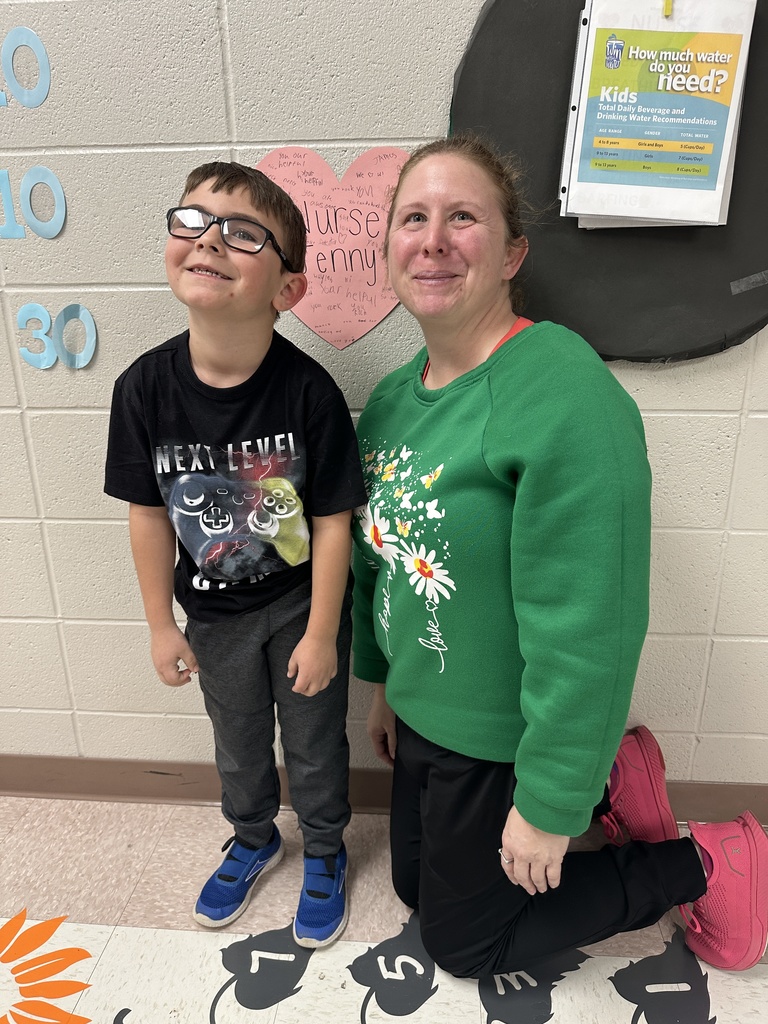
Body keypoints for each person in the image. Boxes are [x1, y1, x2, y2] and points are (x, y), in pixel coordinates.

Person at [351, 133, 768, 977]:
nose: (432, 239)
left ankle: (706, 860)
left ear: (513, 253)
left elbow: (591, 623)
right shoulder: (393, 401)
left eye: (462, 217)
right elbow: (385, 566)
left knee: (465, 944)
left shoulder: (564, 392)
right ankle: (614, 777)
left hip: (503, 730)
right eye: (413, 217)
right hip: (428, 711)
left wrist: (547, 803)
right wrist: (388, 688)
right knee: (412, 889)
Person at [105, 161, 367, 948]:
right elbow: (147, 514)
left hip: (299, 608)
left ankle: (324, 850)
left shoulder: (310, 394)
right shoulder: (143, 390)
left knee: (316, 739)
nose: (210, 239)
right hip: (212, 614)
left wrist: (322, 632)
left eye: (243, 233)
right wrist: (161, 623)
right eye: (192, 220)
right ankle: (254, 837)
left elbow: (331, 524)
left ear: (288, 289)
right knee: (239, 737)